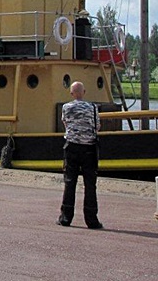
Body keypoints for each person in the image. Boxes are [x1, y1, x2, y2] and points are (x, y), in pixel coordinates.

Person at [57, 81, 103, 229]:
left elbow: (66, 124)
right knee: (90, 184)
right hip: (89, 148)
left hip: (72, 147)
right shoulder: (93, 107)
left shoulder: (66, 107)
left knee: (70, 182)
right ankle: (91, 220)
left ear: (71, 93)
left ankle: (65, 218)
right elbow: (97, 127)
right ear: (84, 92)